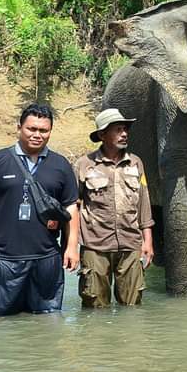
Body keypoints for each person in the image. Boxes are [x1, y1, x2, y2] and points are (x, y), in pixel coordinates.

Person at [0, 104, 79, 318]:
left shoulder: (61, 165)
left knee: (48, 321)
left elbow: (70, 207)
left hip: (46, 258)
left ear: (50, 132)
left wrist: (72, 246)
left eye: (43, 130)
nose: (37, 135)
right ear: (19, 127)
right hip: (2, 259)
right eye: (31, 129)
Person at [73, 108, 154, 308]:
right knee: (95, 306)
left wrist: (148, 242)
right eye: (118, 130)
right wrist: (72, 246)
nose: (124, 133)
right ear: (102, 135)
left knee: (133, 306)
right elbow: (73, 206)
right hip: (95, 246)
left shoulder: (136, 163)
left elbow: (144, 203)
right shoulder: (84, 165)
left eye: (125, 129)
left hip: (131, 244)